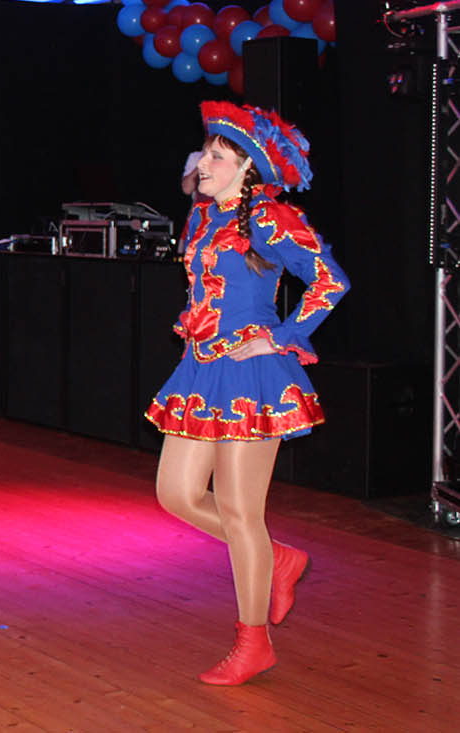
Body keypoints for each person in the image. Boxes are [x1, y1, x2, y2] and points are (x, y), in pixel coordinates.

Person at [148, 102, 349, 686]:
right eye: (205, 152)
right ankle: (278, 557)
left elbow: (330, 280)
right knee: (175, 493)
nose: (203, 162)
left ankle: (253, 642)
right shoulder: (204, 216)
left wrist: (280, 336)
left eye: (217, 156)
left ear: (247, 168)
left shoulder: (271, 219)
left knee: (240, 513)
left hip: (250, 375)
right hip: (200, 369)